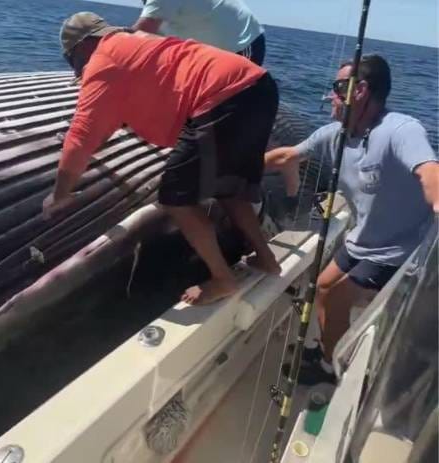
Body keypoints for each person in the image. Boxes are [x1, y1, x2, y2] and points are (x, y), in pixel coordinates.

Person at [43, 12, 281, 306]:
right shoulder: (137, 44)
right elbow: (104, 126)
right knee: (229, 187)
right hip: (258, 88)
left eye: (73, 61)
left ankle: (222, 278)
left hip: (222, 98)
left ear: (82, 46)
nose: (78, 69)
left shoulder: (103, 62)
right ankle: (267, 258)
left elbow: (80, 137)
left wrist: (59, 195)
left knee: (175, 198)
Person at [265, 54, 439, 384]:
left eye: (336, 87)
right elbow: (287, 156)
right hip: (361, 239)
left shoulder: (401, 129)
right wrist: (238, 166)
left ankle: (333, 367)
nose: (329, 95)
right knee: (322, 287)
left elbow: (430, 171)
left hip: (398, 250)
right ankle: (330, 350)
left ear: (358, 91)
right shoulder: (332, 134)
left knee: (335, 296)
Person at [133, 0, 266, 65]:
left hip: (243, 42)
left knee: (230, 96)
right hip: (212, 50)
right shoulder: (160, 9)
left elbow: (142, 32)